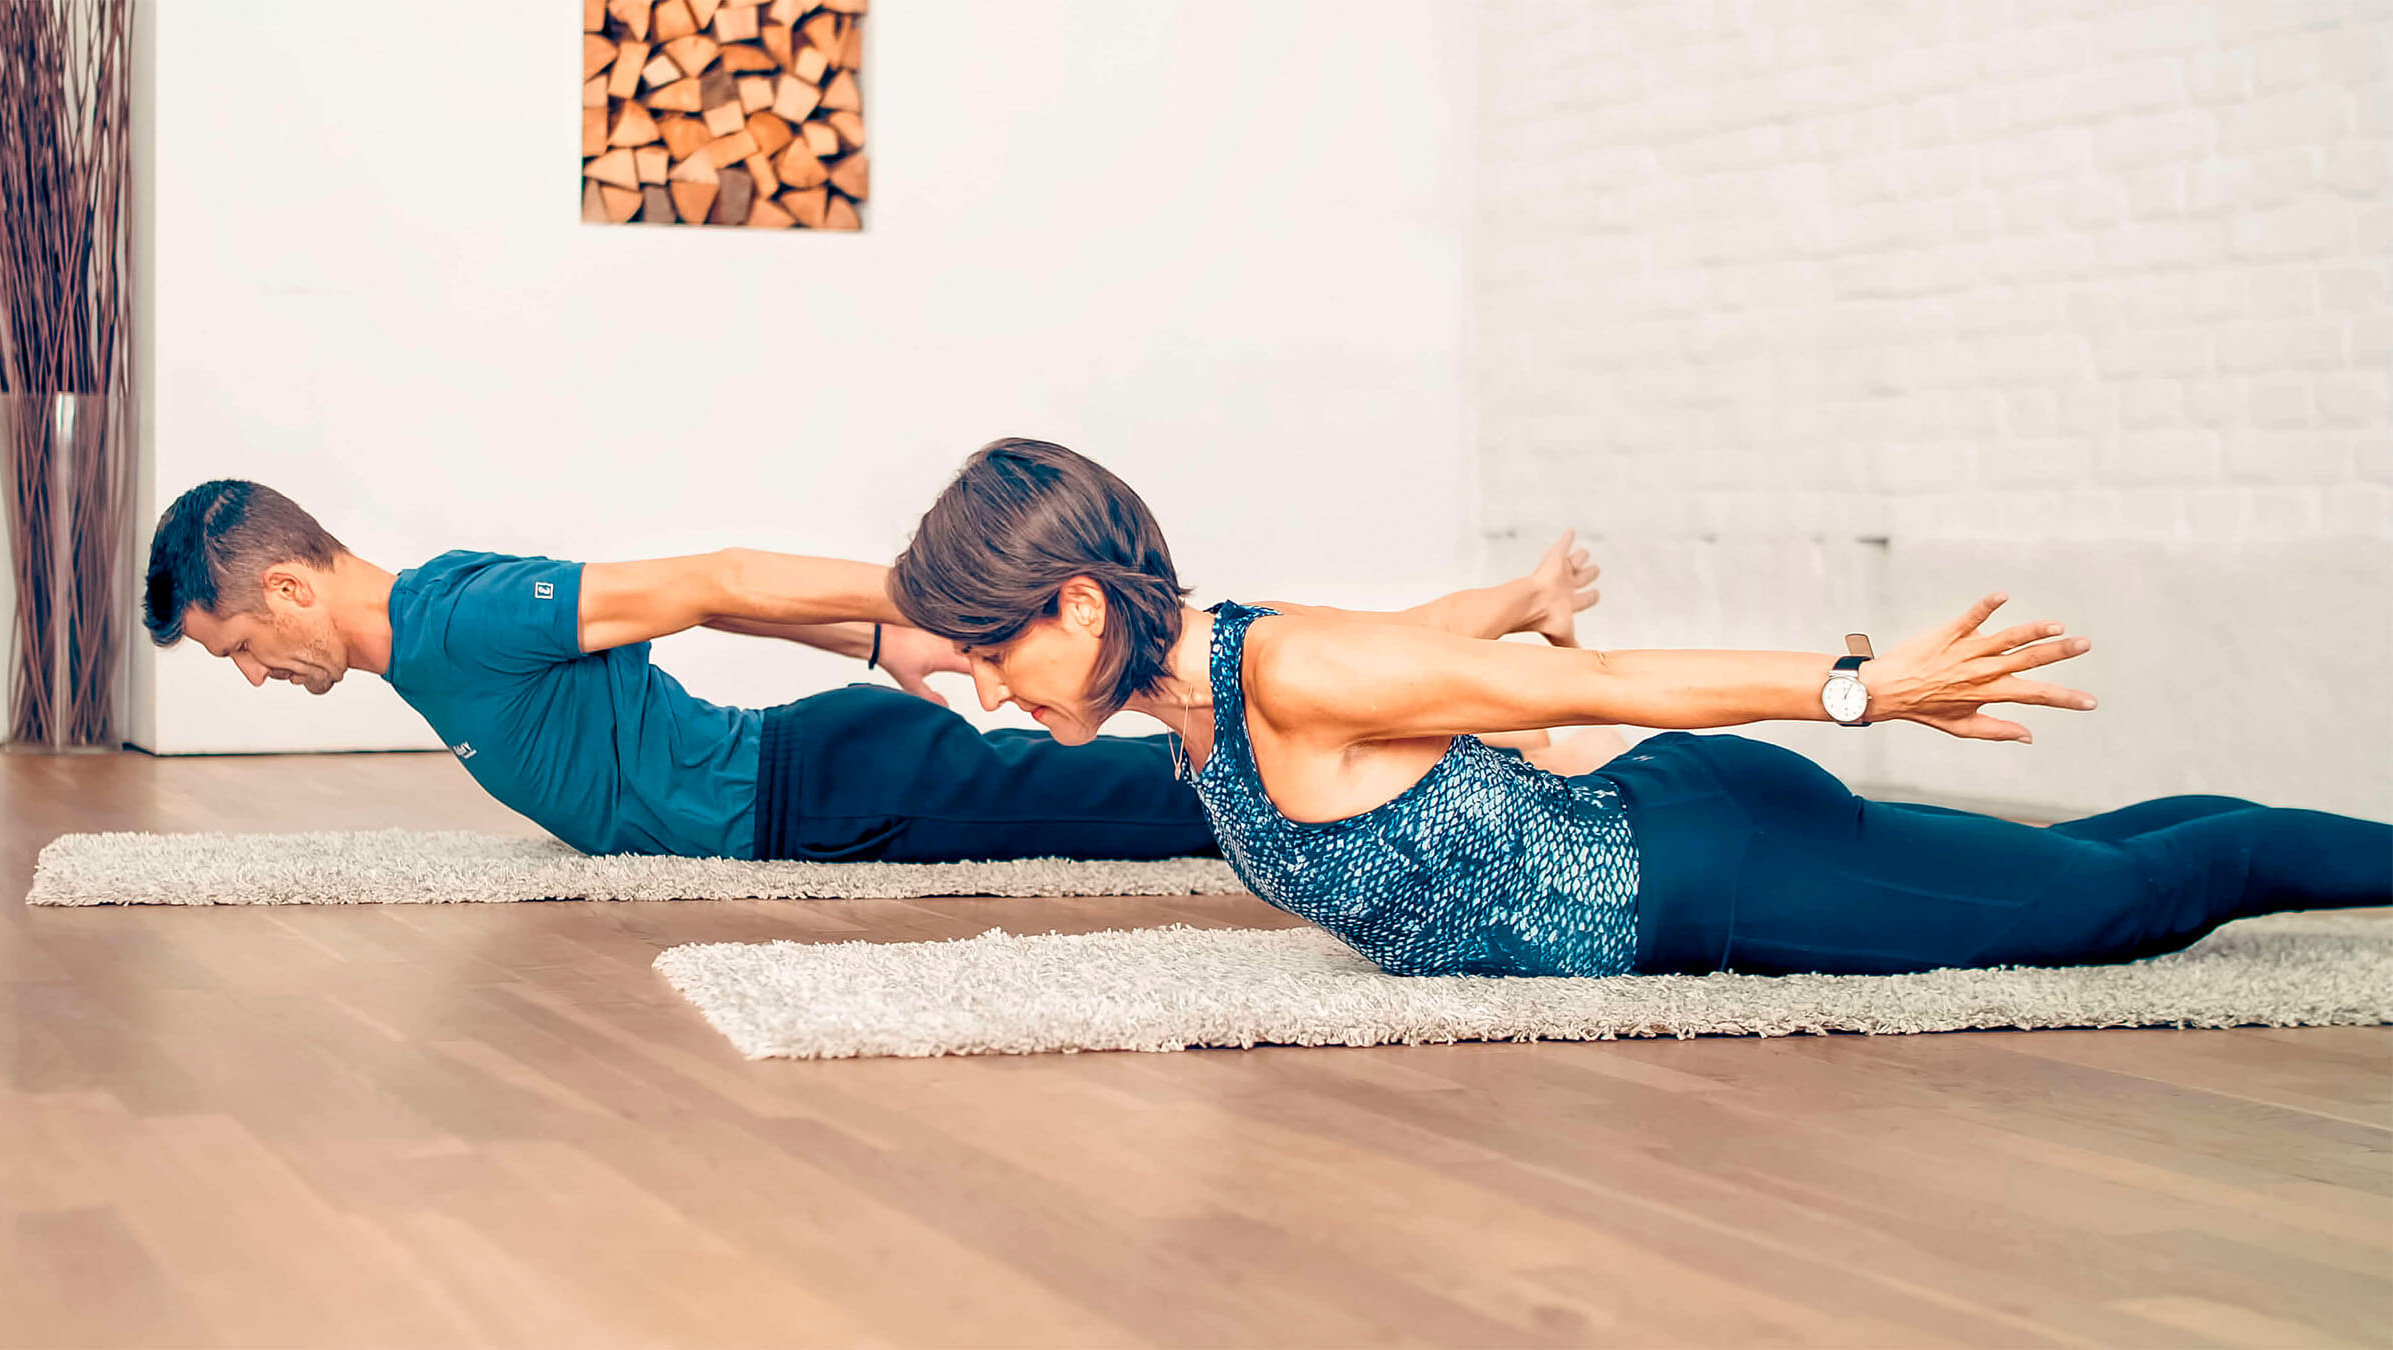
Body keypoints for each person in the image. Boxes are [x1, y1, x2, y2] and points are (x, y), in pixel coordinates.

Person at [886, 438, 2393, 977]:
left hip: (1715, 872)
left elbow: (1591, 687)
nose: (979, 681)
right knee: (2104, 859)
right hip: (1680, 827)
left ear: (1077, 605)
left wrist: (1865, 685)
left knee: (2128, 902)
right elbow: (1411, 640)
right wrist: (1515, 598)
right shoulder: (1210, 683)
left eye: (986, 645)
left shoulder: (1277, 672)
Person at [138, 479, 1605, 863]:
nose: (259, 676)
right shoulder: (421, 634)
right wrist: (883, 637)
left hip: (829, 790)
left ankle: (1481, 722)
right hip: (827, 762)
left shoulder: (459, 619)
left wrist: (932, 601)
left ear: (282, 585)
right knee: (1199, 713)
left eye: (245, 647)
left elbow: (710, 581)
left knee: (1206, 764)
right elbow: (711, 621)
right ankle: (1495, 631)